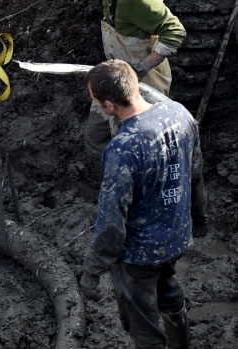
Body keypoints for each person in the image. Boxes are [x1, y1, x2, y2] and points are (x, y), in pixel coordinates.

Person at [79, 60, 208, 349]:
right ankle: (181, 342)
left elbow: (112, 221)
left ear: (109, 105)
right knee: (168, 288)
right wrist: (199, 217)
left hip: (140, 253)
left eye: (95, 100)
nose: (96, 105)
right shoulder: (179, 114)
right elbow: (196, 172)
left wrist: (92, 271)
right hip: (177, 237)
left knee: (143, 325)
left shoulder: (123, 148)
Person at [84, 0, 187, 169]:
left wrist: (140, 69)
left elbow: (175, 31)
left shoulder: (140, 2)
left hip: (144, 84)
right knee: (95, 137)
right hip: (115, 78)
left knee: (136, 149)